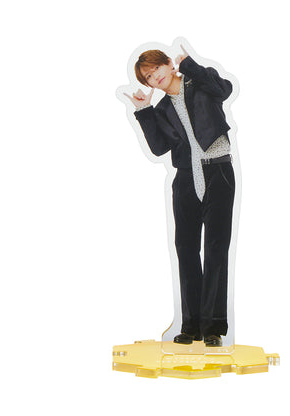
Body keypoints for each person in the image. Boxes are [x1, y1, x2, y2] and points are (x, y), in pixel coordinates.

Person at [124, 45, 236, 347]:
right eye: (148, 77)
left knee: (216, 249)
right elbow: (159, 147)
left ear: (169, 64)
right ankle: (191, 326)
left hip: (218, 172)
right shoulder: (161, 110)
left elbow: (224, 90)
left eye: (156, 68)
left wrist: (192, 66)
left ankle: (213, 328)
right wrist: (144, 111)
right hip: (185, 178)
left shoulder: (201, 81)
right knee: (186, 249)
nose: (154, 77)